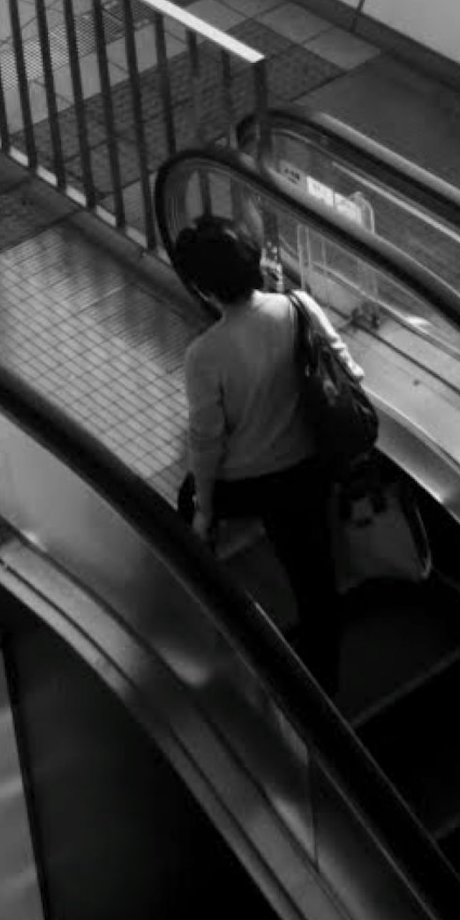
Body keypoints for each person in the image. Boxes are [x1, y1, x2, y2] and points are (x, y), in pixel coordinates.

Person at [170, 214, 358, 695]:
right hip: (309, 471)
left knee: (188, 495)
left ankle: (212, 618)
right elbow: (351, 374)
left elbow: (206, 442)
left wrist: (205, 510)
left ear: (202, 287)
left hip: (249, 486)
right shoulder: (297, 307)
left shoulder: (204, 355)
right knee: (316, 587)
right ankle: (326, 694)